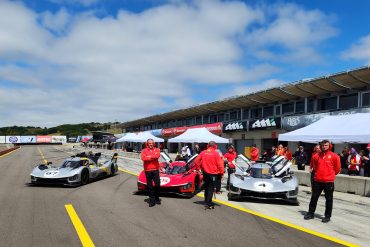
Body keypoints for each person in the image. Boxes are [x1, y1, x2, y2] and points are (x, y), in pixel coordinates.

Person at [304, 140, 341, 223]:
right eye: (323, 145)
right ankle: (310, 213)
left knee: (329, 199)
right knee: (314, 197)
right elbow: (315, 167)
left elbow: (337, 169)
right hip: (317, 180)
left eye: (326, 145)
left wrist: (330, 175)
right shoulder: (315, 156)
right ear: (320, 146)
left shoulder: (334, 156)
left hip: (329, 181)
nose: (324, 146)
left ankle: (327, 216)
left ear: (329, 146)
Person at [195, 141, 224, 209]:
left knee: (207, 187)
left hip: (205, 173)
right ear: (215, 146)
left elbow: (196, 161)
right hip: (213, 174)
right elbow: (220, 165)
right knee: (210, 188)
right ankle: (209, 204)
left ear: (208, 145)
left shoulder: (203, 152)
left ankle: (206, 200)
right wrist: (222, 173)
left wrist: (199, 168)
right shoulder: (216, 153)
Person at [141, 139, 161, 207]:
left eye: (152, 143)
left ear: (154, 143)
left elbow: (157, 156)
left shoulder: (157, 149)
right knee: (149, 186)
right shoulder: (144, 150)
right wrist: (153, 157)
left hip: (155, 170)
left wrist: (149, 156)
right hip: (148, 170)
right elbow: (143, 158)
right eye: (149, 143)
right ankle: (152, 200)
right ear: (147, 144)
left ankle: (157, 197)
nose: (151, 144)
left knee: (158, 185)